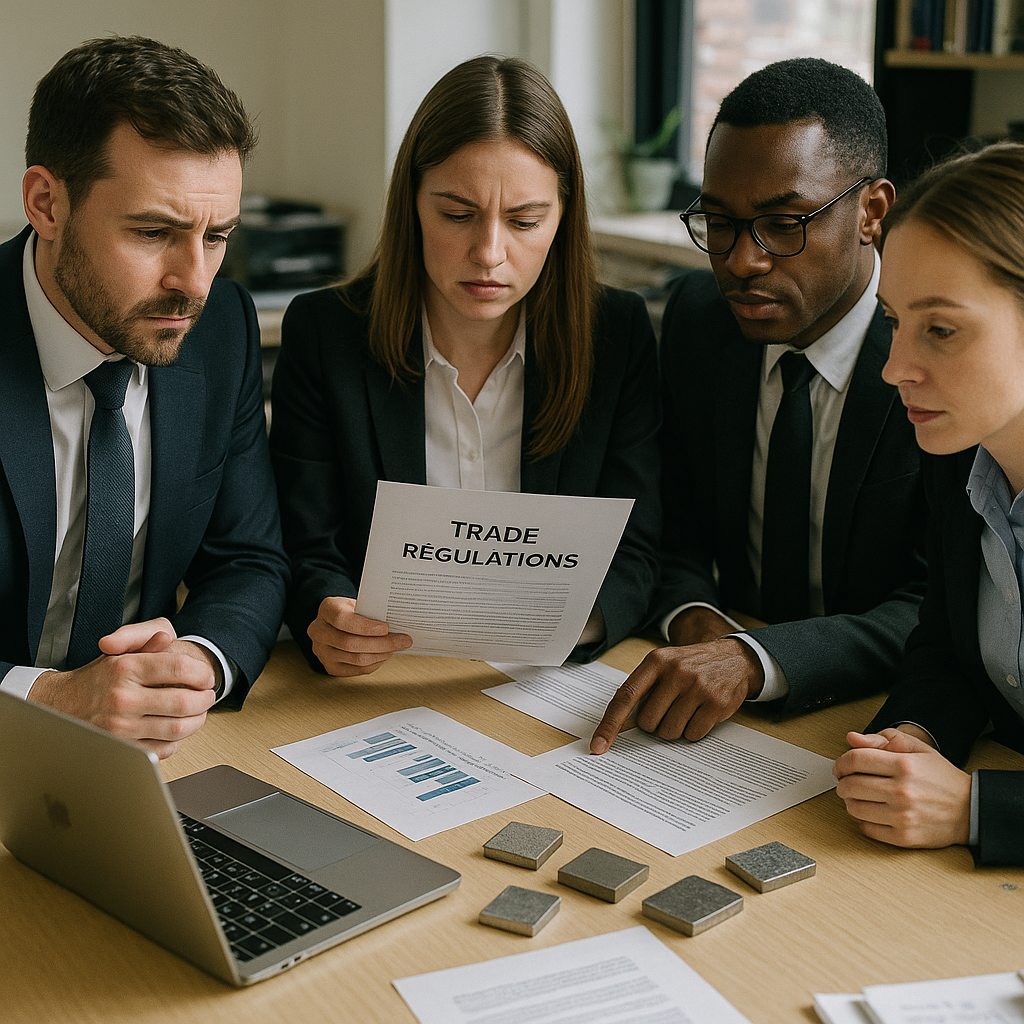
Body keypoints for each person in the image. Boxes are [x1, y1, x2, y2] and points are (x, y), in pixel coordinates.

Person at [270, 55, 660, 677]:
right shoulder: (326, 333)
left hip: (545, 678)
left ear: (562, 218)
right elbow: (305, 540)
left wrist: (567, 623)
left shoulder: (616, 335)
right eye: (457, 214)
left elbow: (636, 548)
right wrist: (328, 612)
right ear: (412, 205)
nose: (489, 253)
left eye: (526, 221)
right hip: (375, 680)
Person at [591, 58, 927, 754]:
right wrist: (696, 616)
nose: (742, 261)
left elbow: (934, 606)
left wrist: (754, 660)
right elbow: (670, 528)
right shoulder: (697, 320)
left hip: (872, 721)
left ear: (872, 213)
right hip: (719, 723)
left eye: (782, 223)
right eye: (719, 221)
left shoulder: (933, 354)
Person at [0, 37, 289, 759]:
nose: (193, 281)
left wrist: (196, 663)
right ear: (46, 204)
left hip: (146, 762)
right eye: (154, 232)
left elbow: (247, 560)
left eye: (217, 236)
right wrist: (46, 699)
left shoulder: (221, 328)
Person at [834, 143, 1024, 865]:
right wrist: (916, 734)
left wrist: (976, 809)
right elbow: (948, 645)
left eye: (940, 330)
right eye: (893, 321)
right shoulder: (962, 463)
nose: (893, 368)